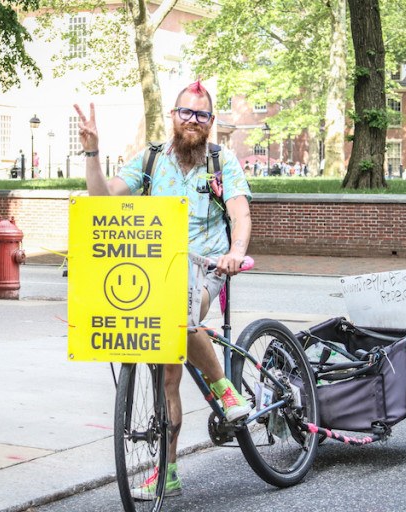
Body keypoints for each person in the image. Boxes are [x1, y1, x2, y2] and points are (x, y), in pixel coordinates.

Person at [73, 80, 252, 501]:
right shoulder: (151, 159)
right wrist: (92, 152)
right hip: (155, 271)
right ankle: (167, 472)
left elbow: (240, 213)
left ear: (210, 121)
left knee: (178, 312)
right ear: (173, 115)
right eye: (186, 112)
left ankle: (225, 389)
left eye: (201, 114)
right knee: (168, 379)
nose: (193, 120)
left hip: (205, 269)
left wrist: (236, 252)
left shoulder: (221, 161)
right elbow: (101, 199)